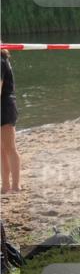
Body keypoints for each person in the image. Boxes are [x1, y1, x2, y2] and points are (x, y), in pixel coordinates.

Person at [1, 50, 21, 194]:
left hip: (5, 107)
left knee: (9, 148)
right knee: (1, 150)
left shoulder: (0, 60)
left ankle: (15, 186)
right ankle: (5, 186)